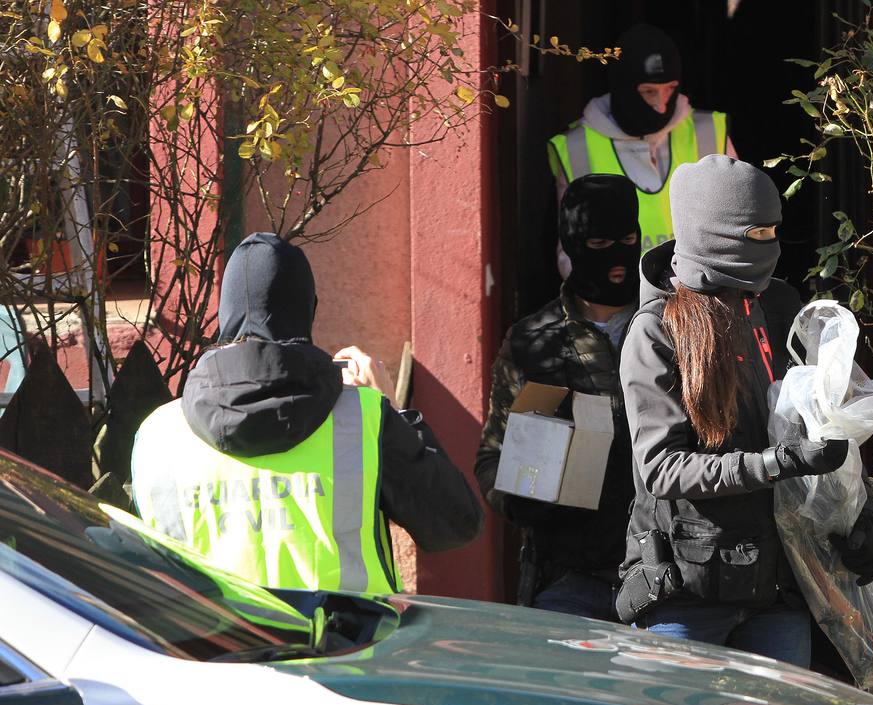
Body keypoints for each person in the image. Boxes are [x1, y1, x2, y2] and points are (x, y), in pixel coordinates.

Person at [618, 155, 873, 666]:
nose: (769, 243)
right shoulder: (656, 330)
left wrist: (863, 515)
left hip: (779, 586)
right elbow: (661, 468)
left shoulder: (781, 309)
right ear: (712, 233)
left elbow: (826, 421)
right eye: (754, 231)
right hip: (686, 592)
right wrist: (779, 462)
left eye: (773, 229)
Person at [131, 232, 482, 593]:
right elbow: (455, 526)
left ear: (225, 314)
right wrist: (393, 411)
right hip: (350, 644)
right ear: (307, 310)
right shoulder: (362, 420)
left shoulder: (158, 436)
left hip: (213, 646)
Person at [475, 174, 641, 619]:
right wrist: (529, 499)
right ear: (572, 245)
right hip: (571, 574)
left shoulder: (670, 324)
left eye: (628, 239)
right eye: (602, 244)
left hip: (664, 574)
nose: (619, 258)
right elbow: (493, 458)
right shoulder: (535, 340)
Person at [547, 23, 735, 271]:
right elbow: (570, 253)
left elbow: (737, 226)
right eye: (649, 92)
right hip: (619, 301)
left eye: (670, 89)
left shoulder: (710, 131)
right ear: (623, 87)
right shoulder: (575, 147)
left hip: (697, 298)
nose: (661, 105)